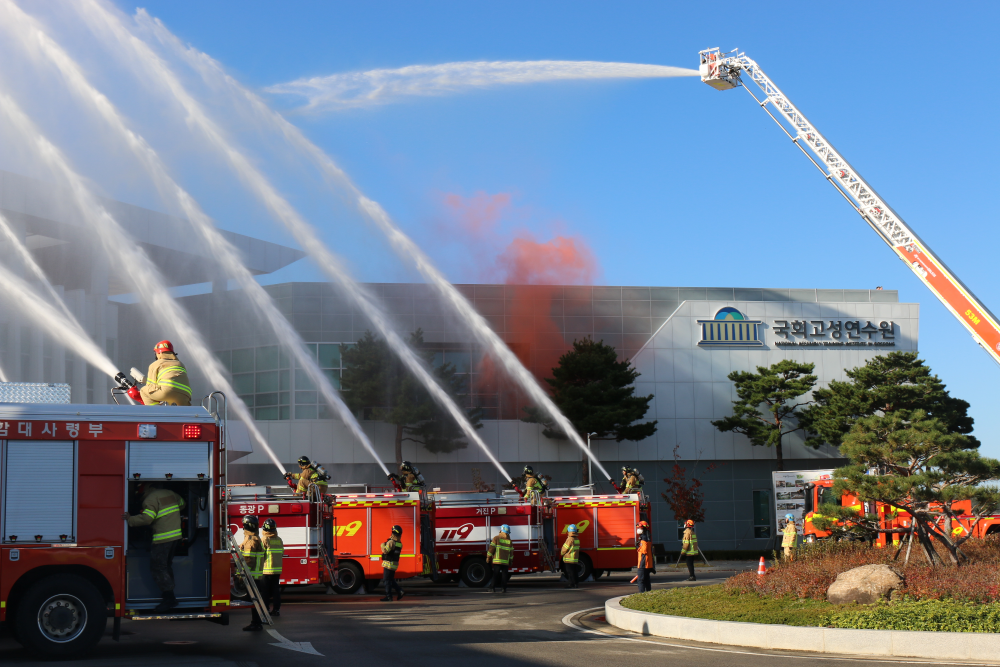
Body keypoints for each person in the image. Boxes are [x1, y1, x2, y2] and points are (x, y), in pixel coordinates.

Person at [122, 482, 186, 612]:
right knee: (166, 565)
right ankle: (169, 594)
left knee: (158, 568)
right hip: (176, 536)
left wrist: (130, 519)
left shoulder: (150, 499)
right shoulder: (170, 493)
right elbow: (182, 504)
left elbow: (147, 519)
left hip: (163, 538)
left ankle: (169, 598)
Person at [131, 340, 192, 406]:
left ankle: (156, 411)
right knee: (183, 410)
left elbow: (151, 385)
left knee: (143, 391)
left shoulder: (155, 364)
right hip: (185, 395)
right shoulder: (180, 364)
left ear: (160, 353)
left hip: (167, 392)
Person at [240, 515, 266, 631]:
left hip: (251, 576)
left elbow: (248, 560)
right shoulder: (256, 538)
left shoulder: (250, 540)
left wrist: (241, 574)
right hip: (257, 576)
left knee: (254, 601)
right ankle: (257, 622)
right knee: (255, 600)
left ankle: (256, 623)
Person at [261, 518, 283, 617]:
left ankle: (266, 610)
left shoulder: (264, 539)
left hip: (266, 570)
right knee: (275, 591)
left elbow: (261, 554)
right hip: (277, 570)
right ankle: (276, 610)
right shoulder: (279, 540)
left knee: (265, 591)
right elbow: (282, 553)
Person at [380, 525, 405, 602]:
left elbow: (385, 551)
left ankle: (389, 596)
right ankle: (399, 591)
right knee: (390, 580)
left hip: (388, 564)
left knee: (386, 580)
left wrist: (382, 545)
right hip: (394, 565)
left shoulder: (391, 542)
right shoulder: (399, 543)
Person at [486, 524, 512, 593]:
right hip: (505, 561)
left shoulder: (496, 538)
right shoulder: (509, 541)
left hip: (497, 560)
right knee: (504, 575)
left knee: (495, 575)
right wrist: (511, 560)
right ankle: (503, 589)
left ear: (501, 530)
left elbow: (491, 549)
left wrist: (488, 557)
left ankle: (492, 588)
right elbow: (511, 552)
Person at [636, 521, 655, 593]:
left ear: (643, 529)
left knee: (640, 580)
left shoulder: (643, 538)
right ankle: (648, 593)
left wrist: (638, 547)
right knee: (647, 580)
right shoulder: (647, 537)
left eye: (639, 528)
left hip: (643, 563)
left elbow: (644, 550)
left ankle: (642, 594)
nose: (638, 529)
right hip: (647, 563)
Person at [561, 523, 580, 589]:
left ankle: (571, 584)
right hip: (575, 559)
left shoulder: (569, 539)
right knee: (574, 572)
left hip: (569, 559)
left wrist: (562, 553)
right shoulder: (576, 539)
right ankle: (576, 584)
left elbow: (565, 549)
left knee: (570, 572)